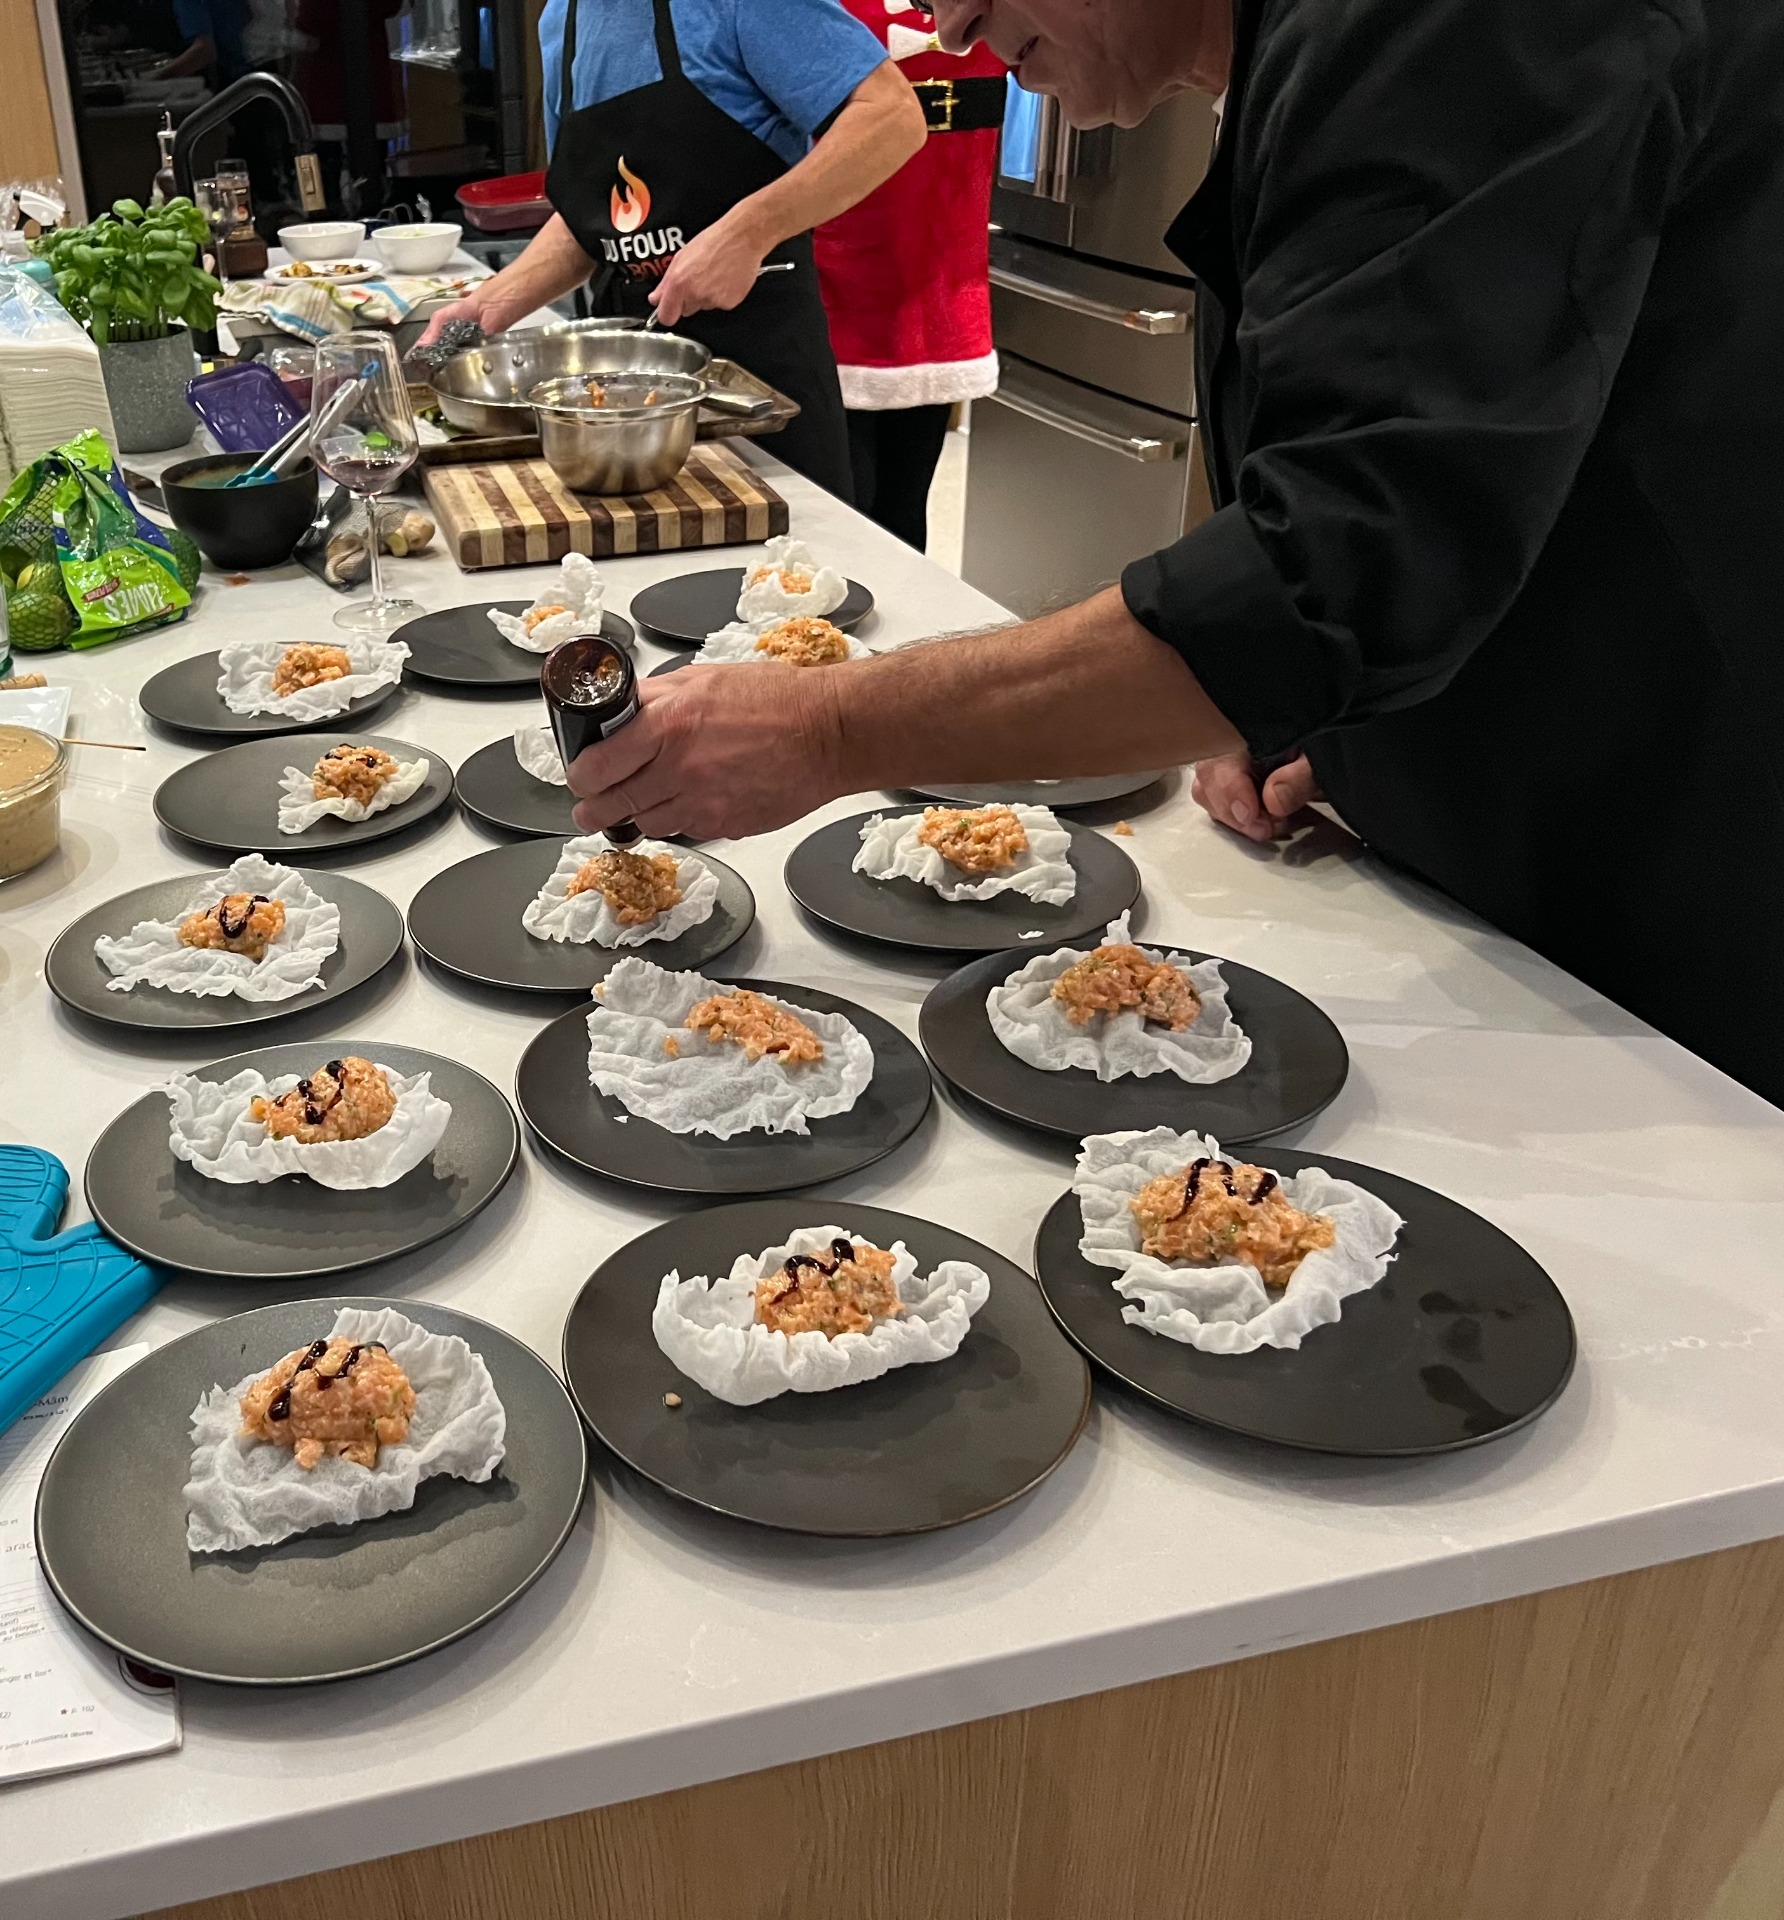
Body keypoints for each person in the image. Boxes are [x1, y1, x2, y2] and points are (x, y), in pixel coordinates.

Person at [558, 0, 1784, 1109]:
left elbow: (1333, 564)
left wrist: (828, 729)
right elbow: (1429, 473)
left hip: (1672, 883)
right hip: (1496, 872)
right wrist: (1312, 709)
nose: (950, 26)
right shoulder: (1301, 56)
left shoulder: (1455, 25)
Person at [419, 0, 927, 501]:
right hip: (623, 403)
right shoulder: (561, 20)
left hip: (760, 392)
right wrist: (491, 304)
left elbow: (891, 116)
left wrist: (748, 233)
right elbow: (592, 217)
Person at [813, 2, 1006, 549]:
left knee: (904, 510)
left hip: (940, 294)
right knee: (842, 512)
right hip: (832, 292)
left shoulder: (985, 8)